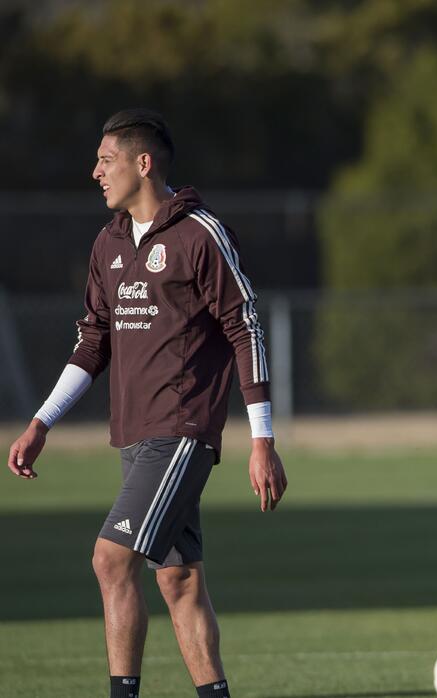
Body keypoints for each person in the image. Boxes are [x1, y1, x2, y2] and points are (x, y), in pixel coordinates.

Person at [6, 108, 288, 698]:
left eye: (105, 160)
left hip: (182, 430)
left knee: (110, 560)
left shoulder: (200, 234)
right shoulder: (107, 243)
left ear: (144, 163)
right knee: (180, 581)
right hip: (133, 437)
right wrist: (42, 422)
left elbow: (246, 330)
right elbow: (91, 343)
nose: (95, 172)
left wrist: (263, 440)